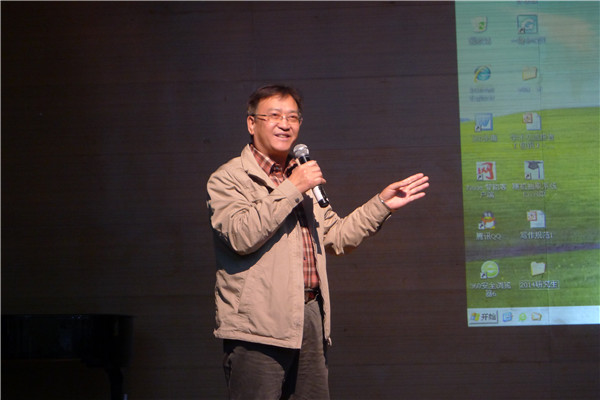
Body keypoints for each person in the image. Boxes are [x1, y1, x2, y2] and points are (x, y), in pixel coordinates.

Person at [206, 84, 429, 399]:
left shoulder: (300, 177)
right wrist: (292, 187)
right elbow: (241, 236)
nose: (285, 124)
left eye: (293, 117)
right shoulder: (229, 178)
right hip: (257, 327)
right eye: (274, 116)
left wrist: (381, 204)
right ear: (252, 123)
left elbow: (336, 236)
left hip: (310, 316)